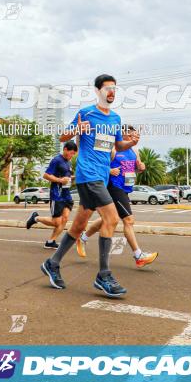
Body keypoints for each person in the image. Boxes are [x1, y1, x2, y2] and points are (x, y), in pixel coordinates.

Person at [40, 74, 139, 297]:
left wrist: (130, 143)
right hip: (88, 175)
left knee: (77, 227)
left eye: (114, 88)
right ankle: (104, 275)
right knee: (112, 219)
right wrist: (77, 130)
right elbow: (63, 136)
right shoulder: (86, 113)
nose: (111, 92)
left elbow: (117, 145)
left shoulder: (115, 118)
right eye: (107, 89)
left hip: (101, 177)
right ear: (98, 92)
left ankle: (52, 263)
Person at [78, 125, 158, 267]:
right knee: (128, 220)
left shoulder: (135, 150)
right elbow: (97, 165)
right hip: (114, 188)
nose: (136, 138)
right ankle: (139, 256)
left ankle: (82, 237)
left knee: (107, 219)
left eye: (137, 136)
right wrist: (109, 170)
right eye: (133, 135)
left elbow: (134, 168)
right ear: (124, 135)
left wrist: (140, 168)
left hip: (125, 188)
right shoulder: (113, 149)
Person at [26, 140, 77, 248]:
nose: (72, 156)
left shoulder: (68, 162)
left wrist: (73, 178)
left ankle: (51, 241)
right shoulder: (56, 160)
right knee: (56, 222)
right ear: (65, 149)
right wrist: (60, 180)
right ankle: (35, 218)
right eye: (71, 153)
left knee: (65, 218)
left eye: (74, 154)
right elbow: (46, 175)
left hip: (66, 194)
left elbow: (65, 177)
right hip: (57, 194)